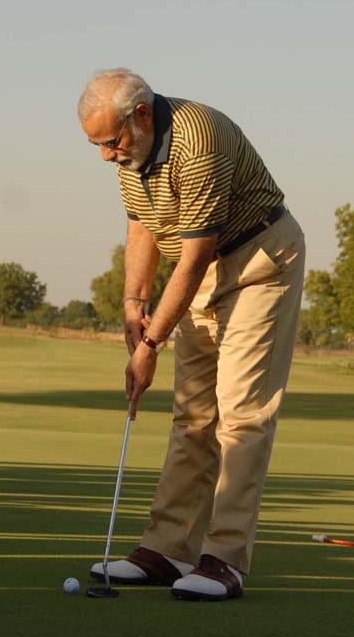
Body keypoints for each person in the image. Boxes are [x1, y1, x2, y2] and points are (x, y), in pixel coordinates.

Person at [77, 68, 305, 601]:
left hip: (259, 263)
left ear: (141, 114)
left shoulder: (196, 137)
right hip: (200, 272)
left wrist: (152, 343)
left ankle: (224, 559)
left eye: (111, 143)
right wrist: (134, 305)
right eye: (97, 146)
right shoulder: (132, 151)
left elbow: (197, 251)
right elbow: (142, 227)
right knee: (193, 413)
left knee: (241, 412)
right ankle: (168, 548)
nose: (107, 156)